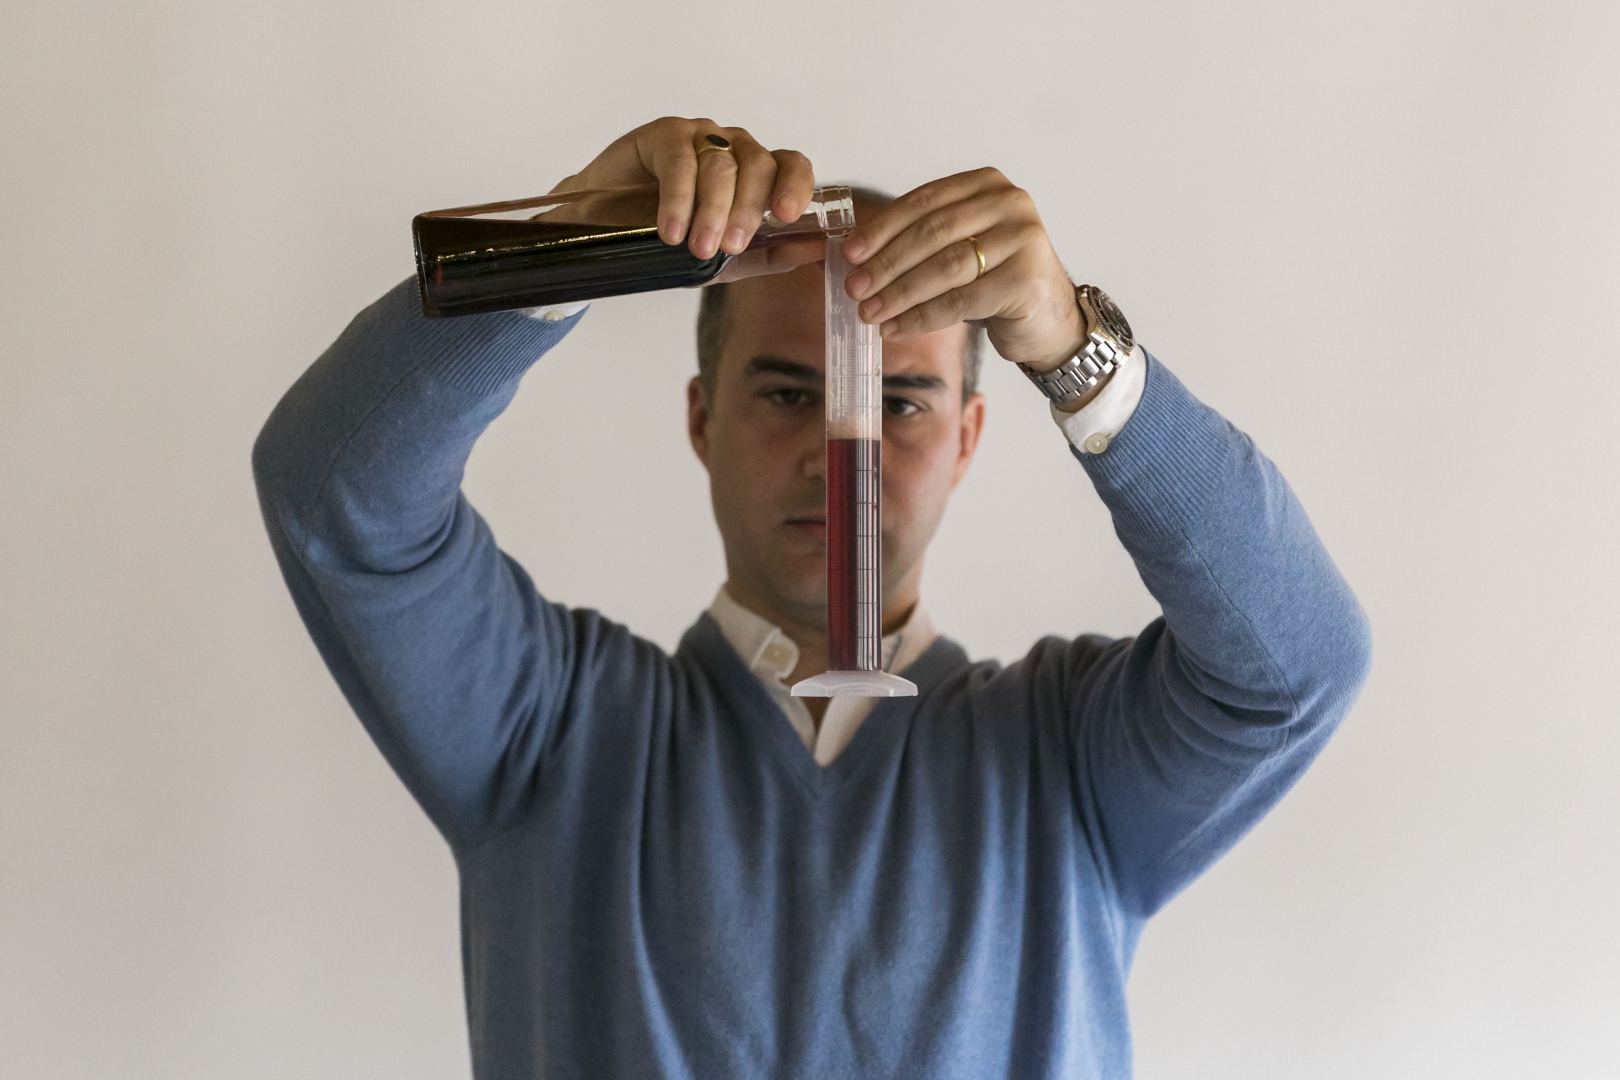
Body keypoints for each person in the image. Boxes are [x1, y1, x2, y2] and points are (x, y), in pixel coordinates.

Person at [251, 116, 1372, 1079]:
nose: (843, 452)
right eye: (791, 393)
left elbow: (1297, 665)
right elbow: (337, 497)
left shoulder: (1069, 766)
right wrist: (566, 248)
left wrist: (1078, 352)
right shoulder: (548, 732)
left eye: (902, 402)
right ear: (703, 418)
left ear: (969, 438)